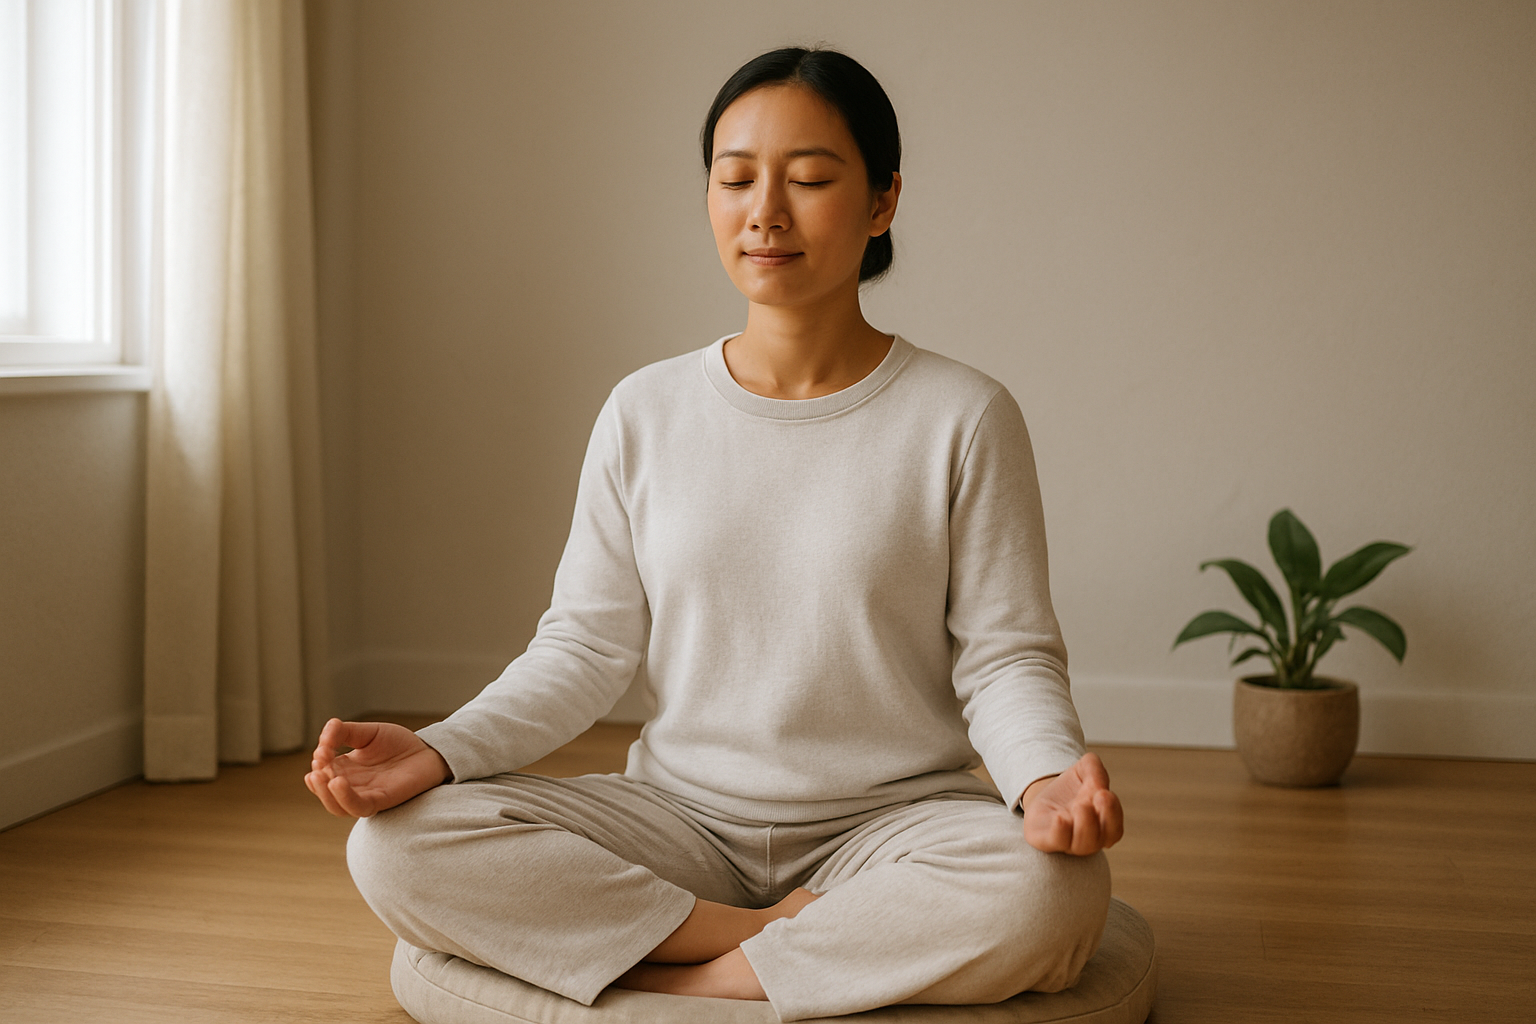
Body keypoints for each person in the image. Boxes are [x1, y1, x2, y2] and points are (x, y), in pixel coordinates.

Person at [306, 46, 1123, 1022]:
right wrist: (440, 751)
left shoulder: (964, 415)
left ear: (882, 200)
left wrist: (1044, 781)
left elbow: (1005, 656)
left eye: (809, 179)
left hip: (892, 822)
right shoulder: (644, 410)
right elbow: (583, 649)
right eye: (736, 180)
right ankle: (755, 943)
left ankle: (677, 974)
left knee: (1054, 890)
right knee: (395, 844)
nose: (765, 212)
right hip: (678, 818)